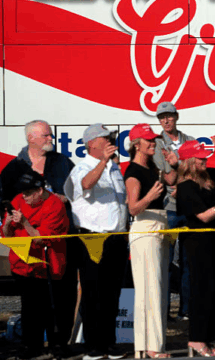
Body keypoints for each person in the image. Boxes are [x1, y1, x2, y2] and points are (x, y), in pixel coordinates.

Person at [0, 120, 77, 353]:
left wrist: (66, 199)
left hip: (59, 242)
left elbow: (80, 194)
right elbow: (5, 203)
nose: (50, 139)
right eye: (45, 136)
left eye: (50, 135)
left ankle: (59, 344)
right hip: (27, 252)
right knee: (32, 302)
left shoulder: (63, 162)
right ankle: (31, 344)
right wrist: (11, 223)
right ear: (31, 138)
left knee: (61, 299)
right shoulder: (14, 169)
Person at [65, 124, 129, 360]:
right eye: (105, 138)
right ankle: (93, 345)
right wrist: (103, 162)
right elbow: (85, 185)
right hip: (92, 238)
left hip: (116, 238)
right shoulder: (82, 167)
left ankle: (109, 342)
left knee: (112, 293)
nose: (111, 140)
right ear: (92, 144)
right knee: (93, 293)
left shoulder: (114, 168)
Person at [175, 139, 215, 357]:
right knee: (200, 290)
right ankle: (196, 338)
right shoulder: (185, 188)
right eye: (201, 157)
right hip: (197, 243)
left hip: (212, 242)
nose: (205, 159)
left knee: (213, 288)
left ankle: (207, 338)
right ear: (190, 161)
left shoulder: (207, 179)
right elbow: (204, 216)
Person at [1, 172, 69, 359]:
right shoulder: (19, 199)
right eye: (22, 193)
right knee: (29, 308)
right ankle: (31, 346)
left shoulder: (55, 205)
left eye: (28, 194)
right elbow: (7, 235)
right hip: (23, 264)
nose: (24, 197)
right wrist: (7, 224)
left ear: (40, 191)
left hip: (48, 264)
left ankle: (57, 345)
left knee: (52, 308)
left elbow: (42, 239)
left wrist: (24, 222)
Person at [124, 123, 169, 359]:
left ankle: (151, 346)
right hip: (145, 229)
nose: (153, 142)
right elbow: (133, 208)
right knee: (149, 289)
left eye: (154, 139)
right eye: (149, 140)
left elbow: (171, 179)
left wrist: (170, 160)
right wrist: (151, 196)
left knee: (157, 289)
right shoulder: (133, 172)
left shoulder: (151, 166)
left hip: (158, 226)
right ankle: (150, 347)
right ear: (136, 144)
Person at [152, 101, 195, 321]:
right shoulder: (157, 144)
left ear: (176, 117)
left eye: (169, 116)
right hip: (169, 208)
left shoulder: (190, 140)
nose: (166, 120)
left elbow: (197, 171)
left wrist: (182, 174)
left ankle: (185, 310)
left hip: (188, 208)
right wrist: (184, 173)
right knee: (165, 263)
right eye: (162, 117)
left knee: (189, 262)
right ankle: (164, 310)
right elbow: (167, 176)